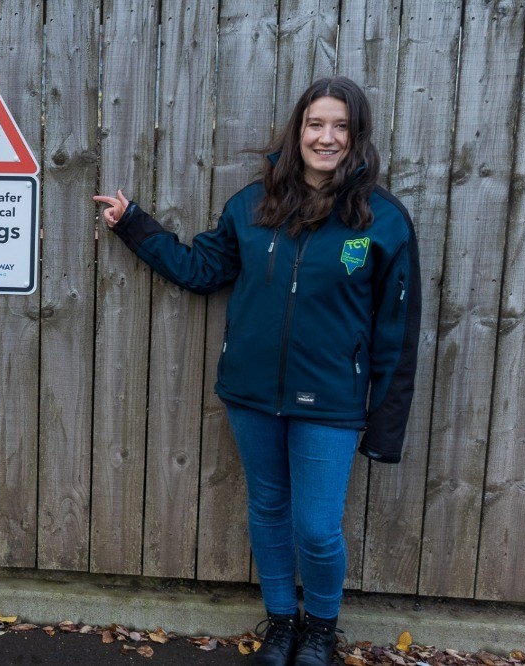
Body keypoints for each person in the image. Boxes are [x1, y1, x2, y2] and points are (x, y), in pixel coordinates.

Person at [95, 77, 420, 666]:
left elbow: (397, 331)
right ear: (298, 131)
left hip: (332, 402)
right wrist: (134, 224)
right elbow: (200, 270)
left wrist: (386, 424)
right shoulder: (252, 205)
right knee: (268, 509)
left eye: (341, 126)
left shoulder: (383, 220)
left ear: (357, 136)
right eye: (316, 124)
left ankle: (319, 629)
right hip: (251, 394)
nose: (327, 138)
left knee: (318, 527)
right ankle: (280, 623)